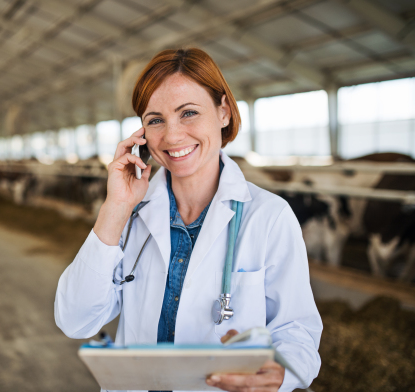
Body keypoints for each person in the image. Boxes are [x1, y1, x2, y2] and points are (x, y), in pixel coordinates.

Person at [55, 48, 322, 392]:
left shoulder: (268, 216)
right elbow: (75, 320)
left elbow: (296, 329)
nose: (172, 136)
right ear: (142, 135)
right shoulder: (132, 215)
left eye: (189, 113)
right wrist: (115, 207)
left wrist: (281, 373)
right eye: (155, 120)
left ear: (223, 112)